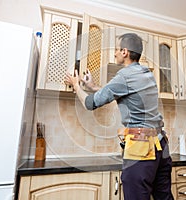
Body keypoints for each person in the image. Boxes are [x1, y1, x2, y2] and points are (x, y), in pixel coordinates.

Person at [64, 33, 173, 200]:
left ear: (124, 52)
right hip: (161, 146)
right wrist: (93, 86)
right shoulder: (146, 73)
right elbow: (123, 93)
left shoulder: (124, 76)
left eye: (116, 49)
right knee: (164, 197)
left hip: (141, 145)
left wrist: (76, 85)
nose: (114, 53)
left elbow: (90, 104)